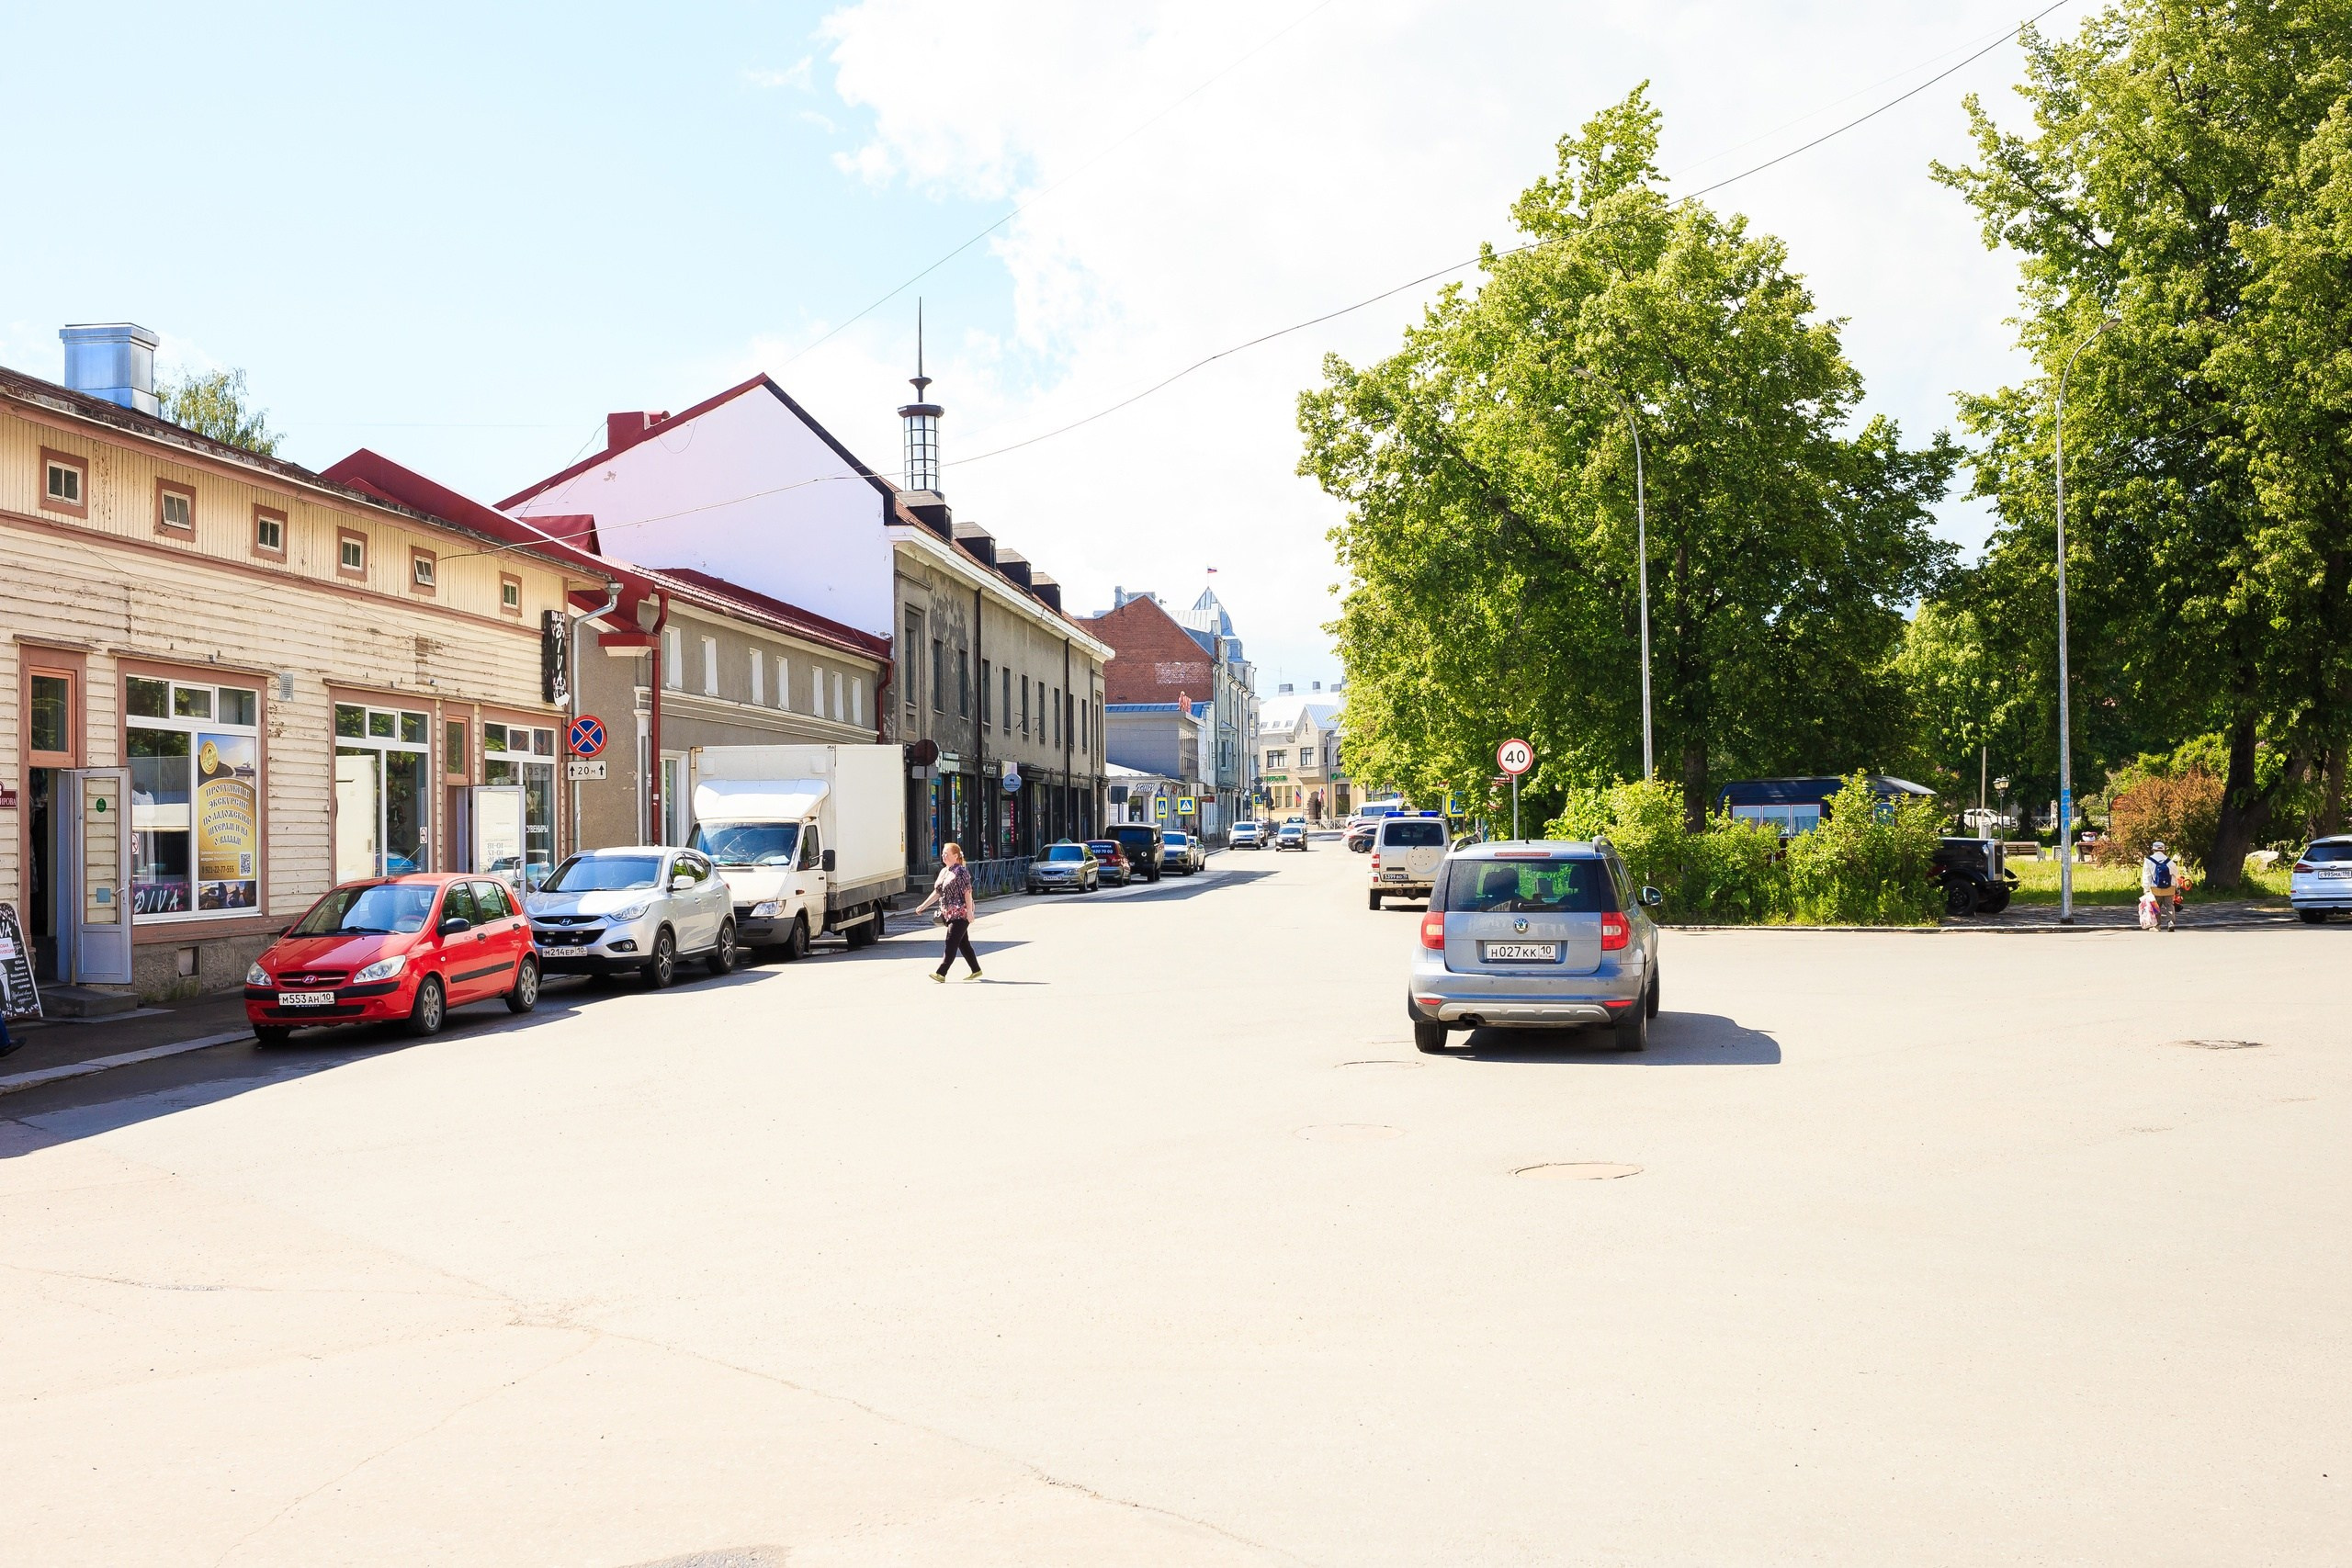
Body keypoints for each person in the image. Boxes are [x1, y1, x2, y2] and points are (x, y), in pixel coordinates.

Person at [914, 841, 982, 982]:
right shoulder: (944, 871)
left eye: (946, 853)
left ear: (955, 856)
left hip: (960, 913)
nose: (943, 856)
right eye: (943, 853)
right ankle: (976, 970)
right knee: (963, 944)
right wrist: (923, 906)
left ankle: (941, 972)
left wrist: (969, 911)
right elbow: (938, 892)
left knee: (950, 941)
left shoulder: (961, 871)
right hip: (949, 913)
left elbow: (967, 892)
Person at [2142, 840, 2179, 932]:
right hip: (2169, 886)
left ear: (2153, 850)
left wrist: (2146, 889)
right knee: (2169, 905)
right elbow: (2175, 875)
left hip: (2155, 887)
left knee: (2156, 906)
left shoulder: (2148, 861)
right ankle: (2170, 922)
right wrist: (2176, 888)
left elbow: (2147, 876)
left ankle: (2156, 925)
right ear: (2163, 850)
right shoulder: (2170, 861)